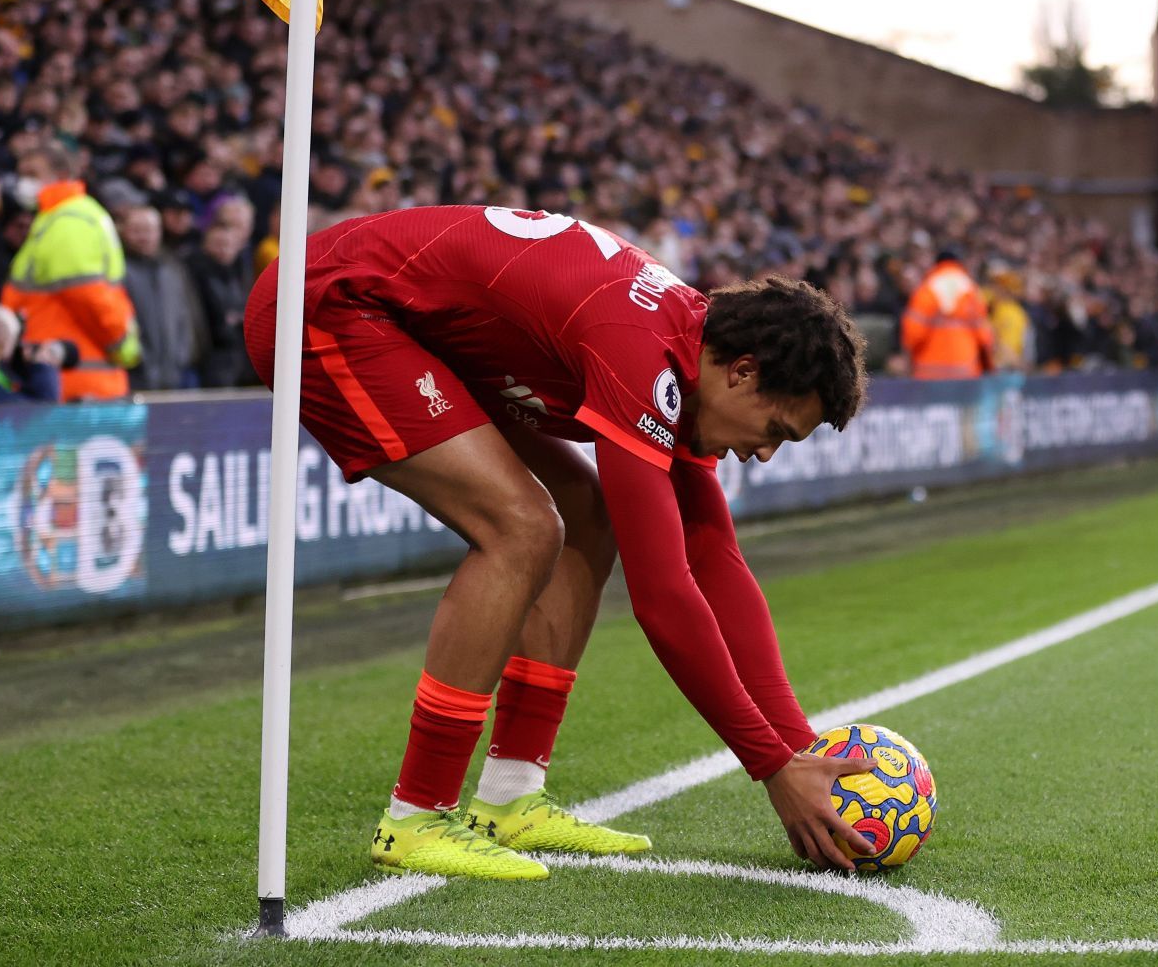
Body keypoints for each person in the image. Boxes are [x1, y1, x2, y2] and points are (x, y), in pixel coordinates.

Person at [244, 205, 877, 881]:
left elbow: (713, 558)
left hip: (403, 320)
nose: (764, 454)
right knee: (522, 526)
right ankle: (416, 814)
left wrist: (801, 747)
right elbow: (663, 596)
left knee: (588, 513)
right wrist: (774, 767)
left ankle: (510, 797)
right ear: (742, 372)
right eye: (776, 429)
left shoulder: (690, 356)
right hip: (326, 304)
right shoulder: (641, 351)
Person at [0, 141, 140, 400]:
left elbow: (89, 298)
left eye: (33, 174)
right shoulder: (61, 217)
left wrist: (119, 345)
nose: (24, 182)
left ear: (61, 175)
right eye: (22, 174)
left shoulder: (68, 222)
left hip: (74, 380)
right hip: (69, 374)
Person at [118, 204, 201, 391]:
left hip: (174, 375)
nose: (143, 237)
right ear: (123, 231)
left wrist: (183, 356)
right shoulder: (118, 270)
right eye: (136, 230)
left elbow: (186, 316)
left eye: (149, 230)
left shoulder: (173, 269)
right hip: (134, 377)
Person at [900, 248, 995, 380]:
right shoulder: (971, 290)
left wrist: (907, 366)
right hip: (965, 371)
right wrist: (990, 367)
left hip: (930, 372)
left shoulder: (927, 289)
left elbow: (912, 334)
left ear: (937, 264)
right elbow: (984, 335)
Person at [186, 211, 252, 388]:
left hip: (238, 358)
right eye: (217, 244)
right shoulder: (195, 273)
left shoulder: (241, 273)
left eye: (228, 245)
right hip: (210, 358)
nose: (223, 250)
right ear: (205, 245)